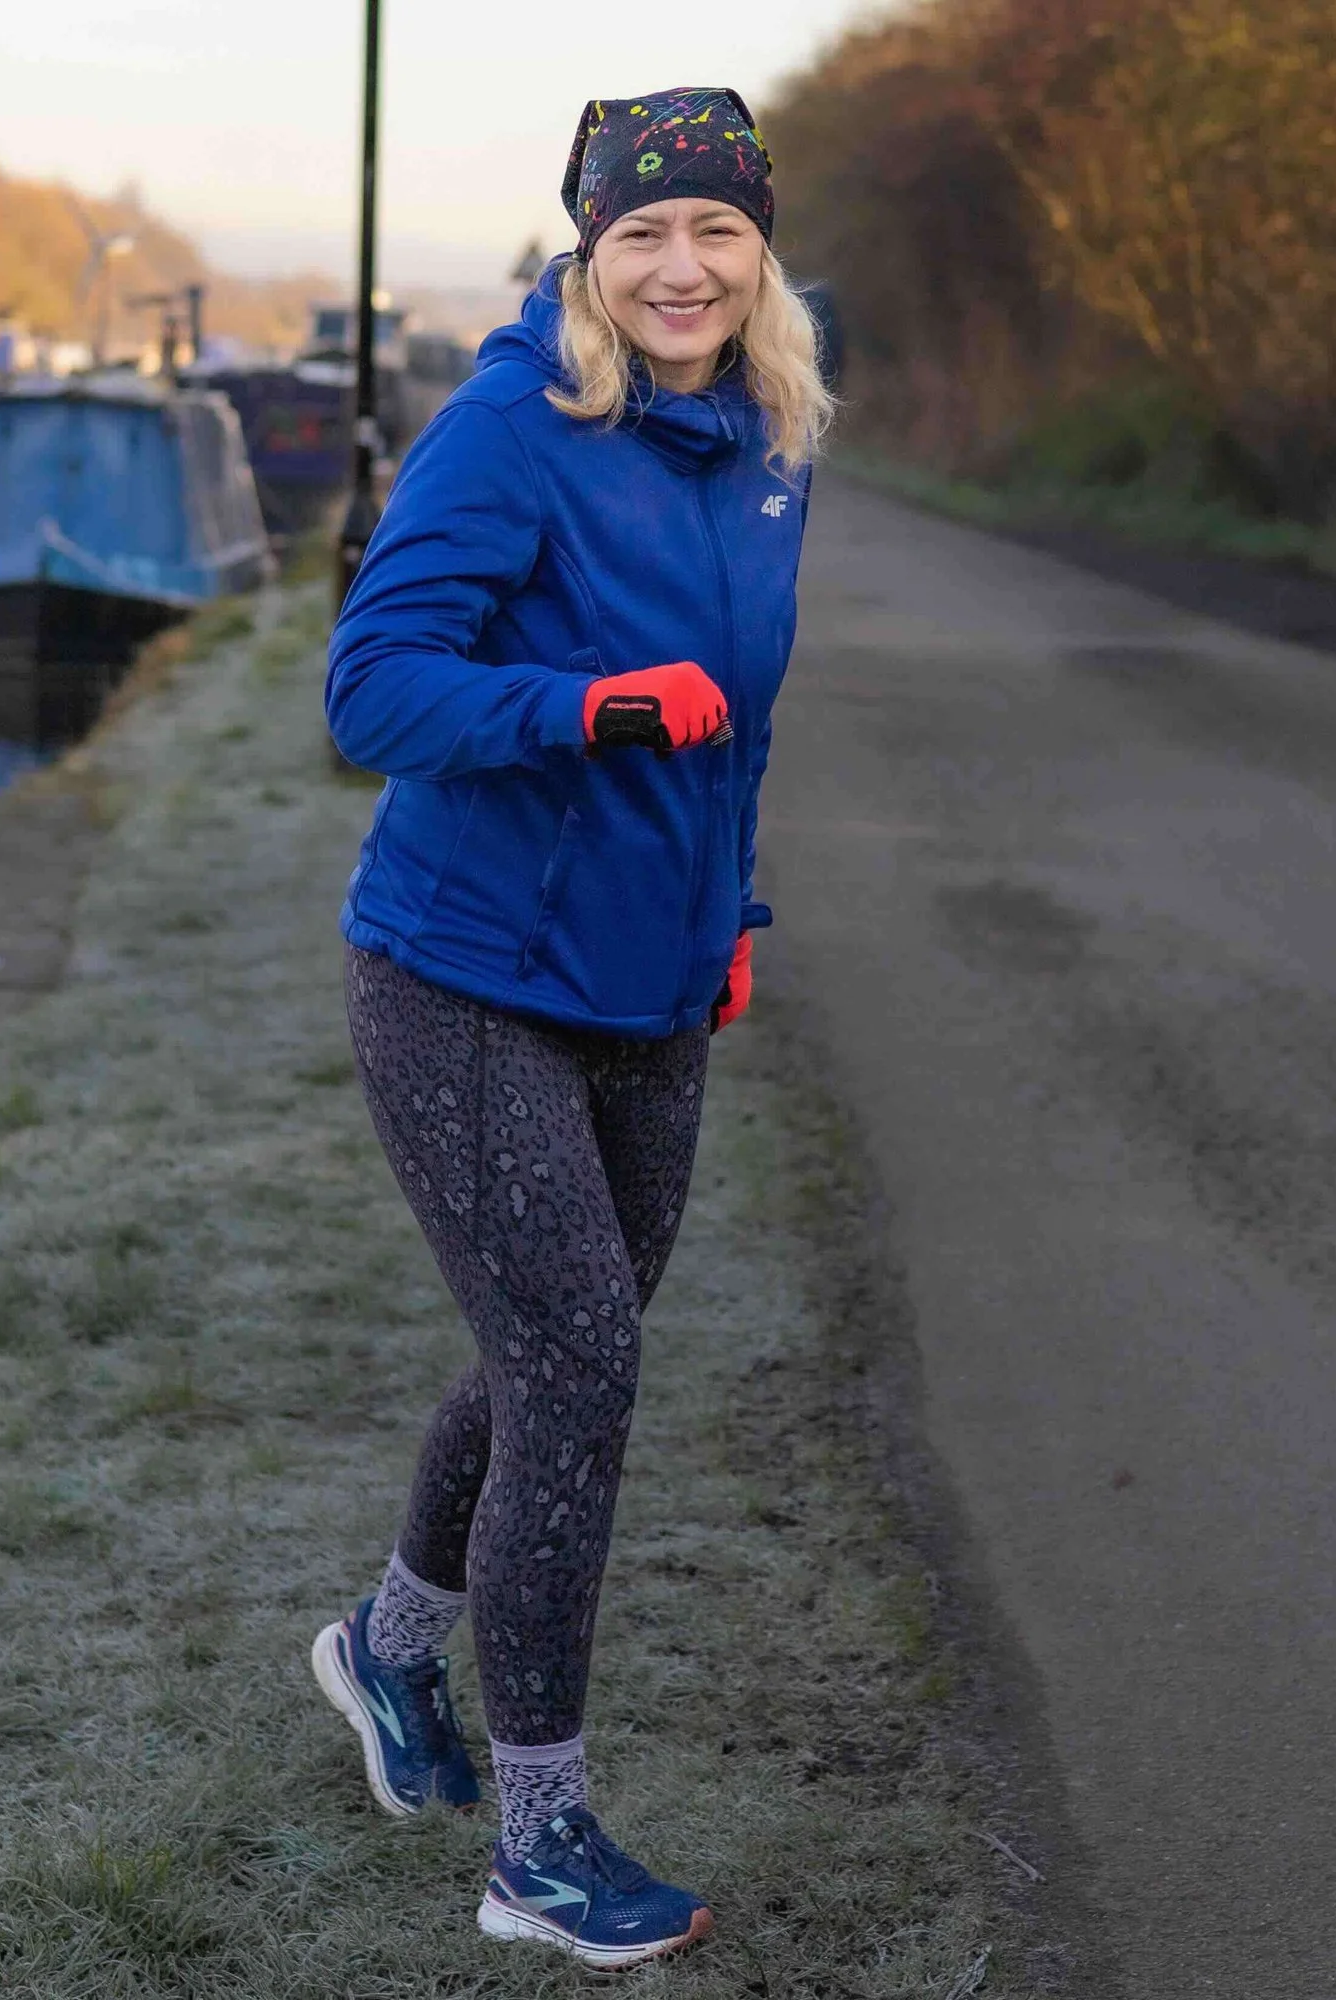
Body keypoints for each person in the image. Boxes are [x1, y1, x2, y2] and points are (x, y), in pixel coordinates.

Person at [311, 87, 833, 1970]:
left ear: (757, 250)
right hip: (461, 973)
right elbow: (374, 692)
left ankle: (382, 1654)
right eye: (641, 238)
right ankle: (537, 1844)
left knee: (559, 1350)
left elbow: (745, 717)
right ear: (588, 258)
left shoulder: (774, 430)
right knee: (580, 1370)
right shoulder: (513, 430)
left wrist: (731, 915)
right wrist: (593, 708)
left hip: (651, 977)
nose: (680, 269)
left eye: (715, 233)